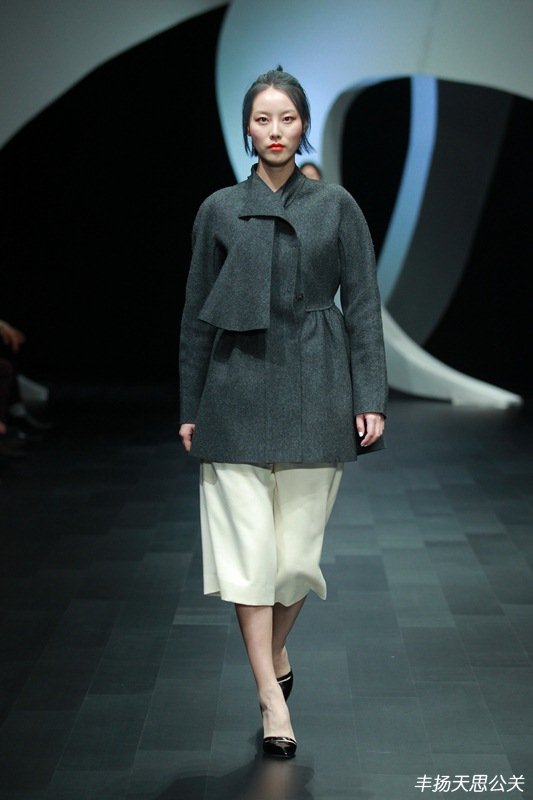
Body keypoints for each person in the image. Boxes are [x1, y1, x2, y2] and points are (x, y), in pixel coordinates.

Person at [179, 67, 387, 759]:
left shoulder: (336, 206)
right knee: (249, 556)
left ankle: (273, 653)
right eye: (262, 119)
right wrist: (189, 406)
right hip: (235, 388)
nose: (275, 131)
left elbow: (363, 304)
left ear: (303, 126)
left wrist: (369, 396)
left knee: (295, 560)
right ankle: (271, 695)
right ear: (247, 127)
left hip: (317, 382)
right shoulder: (218, 209)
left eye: (287, 119)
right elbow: (195, 316)